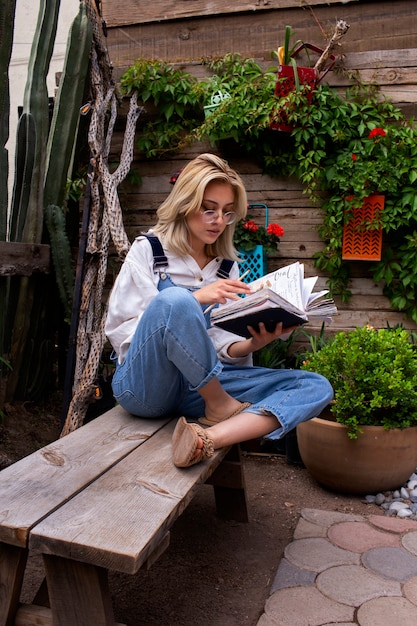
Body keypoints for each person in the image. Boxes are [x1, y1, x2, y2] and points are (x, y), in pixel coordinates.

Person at [105, 153, 333, 468]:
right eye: (208, 209)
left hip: (195, 391)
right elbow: (125, 334)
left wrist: (255, 342)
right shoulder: (149, 250)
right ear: (185, 204)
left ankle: (207, 439)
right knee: (175, 300)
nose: (218, 220)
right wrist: (197, 298)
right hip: (146, 388)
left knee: (314, 385)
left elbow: (221, 347)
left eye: (227, 212)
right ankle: (218, 405)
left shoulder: (228, 268)